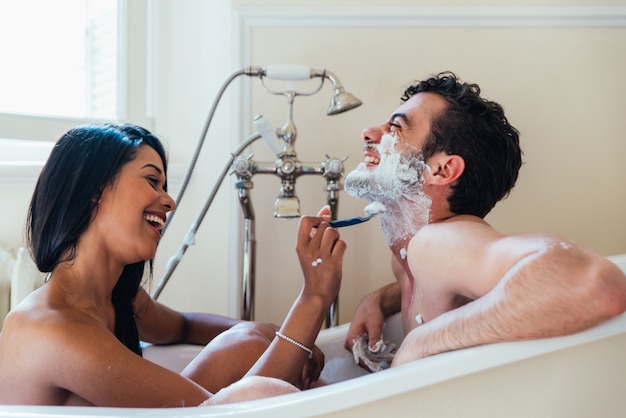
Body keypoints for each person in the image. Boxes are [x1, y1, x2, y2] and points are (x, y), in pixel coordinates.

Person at [0, 123, 346, 406]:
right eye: (152, 181)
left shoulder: (117, 296)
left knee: (249, 341)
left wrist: (267, 333)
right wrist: (314, 298)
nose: (169, 200)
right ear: (94, 189)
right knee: (248, 345)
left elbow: (182, 326)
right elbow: (214, 416)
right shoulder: (52, 329)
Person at [341, 71, 626, 369]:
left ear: (441, 170)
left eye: (396, 128)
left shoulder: (434, 243)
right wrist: (376, 299)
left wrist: (420, 342)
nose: (370, 132)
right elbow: (446, 278)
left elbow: (597, 285)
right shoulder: (410, 258)